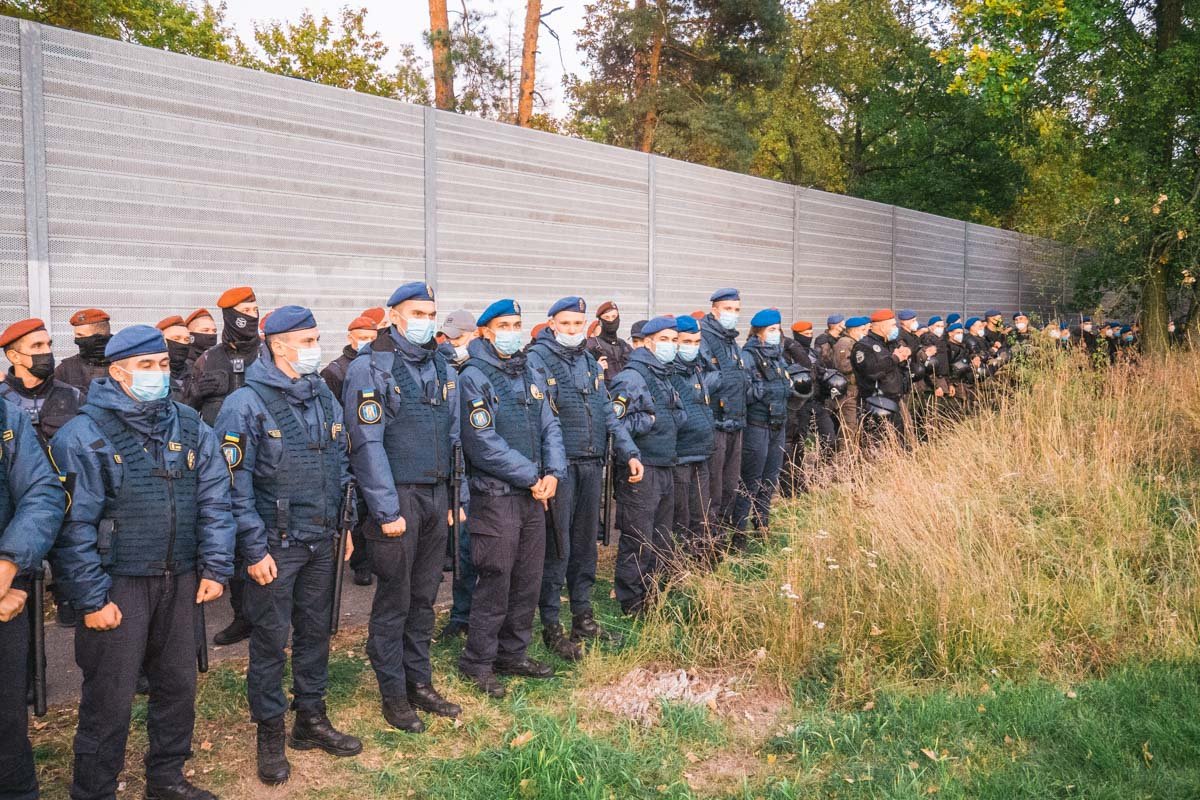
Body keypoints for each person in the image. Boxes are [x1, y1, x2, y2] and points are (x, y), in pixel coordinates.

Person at [49, 325, 235, 800]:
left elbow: (216, 499)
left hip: (181, 580)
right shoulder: (83, 435)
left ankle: (167, 779)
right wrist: (91, 598)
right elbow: (73, 529)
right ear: (117, 372)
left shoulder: (191, 427)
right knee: (108, 701)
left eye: (161, 364)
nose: (158, 373)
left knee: (177, 690)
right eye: (145, 366)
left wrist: (215, 566)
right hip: (118, 586)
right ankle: (94, 790)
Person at [215, 306, 361, 785]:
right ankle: (270, 733)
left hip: (322, 537)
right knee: (270, 643)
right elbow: (231, 487)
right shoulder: (246, 404)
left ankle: (310, 720)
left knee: (316, 634)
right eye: (307, 340)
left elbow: (341, 460)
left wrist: (348, 524)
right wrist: (254, 551)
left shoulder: (322, 393)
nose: (315, 348)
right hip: (275, 546)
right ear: (277, 345)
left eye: (318, 339)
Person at [343, 283, 467, 727]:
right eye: (417, 312)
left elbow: (456, 436)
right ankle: (393, 692)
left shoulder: (441, 362)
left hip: (436, 495)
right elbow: (367, 445)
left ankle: (420, 681)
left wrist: (458, 495)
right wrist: (385, 510)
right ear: (394, 315)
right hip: (398, 499)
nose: (426, 321)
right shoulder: (371, 366)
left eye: (431, 313)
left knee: (425, 597)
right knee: (394, 599)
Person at [457, 299, 565, 698]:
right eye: (503, 324)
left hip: (534, 494)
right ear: (485, 331)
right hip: (496, 496)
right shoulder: (473, 375)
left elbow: (550, 424)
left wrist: (553, 473)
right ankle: (478, 660)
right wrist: (532, 475)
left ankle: (513, 653)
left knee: (527, 578)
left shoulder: (530, 369)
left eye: (517, 324)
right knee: (497, 578)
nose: (512, 331)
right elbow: (482, 442)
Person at [527, 297, 642, 659]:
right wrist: (549, 469)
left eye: (578, 324)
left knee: (584, 547)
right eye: (566, 324)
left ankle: (583, 616)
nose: (573, 331)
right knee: (557, 550)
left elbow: (608, 413)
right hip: (560, 469)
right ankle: (551, 625)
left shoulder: (590, 362)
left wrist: (629, 452)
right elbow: (542, 421)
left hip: (592, 464)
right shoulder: (537, 359)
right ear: (552, 324)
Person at [0, 377, 67, 800]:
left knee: (7, 722)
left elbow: (42, 492)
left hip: (6, 596)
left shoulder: (5, 417)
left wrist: (8, 565)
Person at [184, 286, 260, 647]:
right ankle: (242, 615)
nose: (253, 314)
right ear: (230, 315)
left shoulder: (267, 351)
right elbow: (186, 410)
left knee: (263, 537)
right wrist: (198, 393)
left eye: (256, 307)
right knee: (231, 538)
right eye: (247, 308)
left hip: (263, 458)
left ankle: (267, 615)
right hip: (220, 461)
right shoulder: (208, 359)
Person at [610, 316, 684, 615]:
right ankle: (632, 601)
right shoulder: (632, 377)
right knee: (638, 538)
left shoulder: (663, 374)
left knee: (661, 536)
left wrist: (666, 419)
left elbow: (676, 413)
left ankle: (652, 593)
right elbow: (615, 422)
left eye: (674, 340)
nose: (671, 346)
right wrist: (650, 421)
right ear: (649, 342)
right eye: (665, 340)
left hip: (664, 462)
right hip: (642, 466)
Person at [436, 308, 478, 640]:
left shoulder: (483, 370)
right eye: (449, 339)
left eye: (459, 339)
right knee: (463, 550)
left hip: (488, 474)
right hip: (460, 472)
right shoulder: (446, 370)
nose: (452, 345)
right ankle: (462, 614)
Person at [732, 309, 791, 538]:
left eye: (778, 329)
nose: (776, 334)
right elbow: (743, 392)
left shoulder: (777, 355)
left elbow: (784, 385)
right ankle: (738, 530)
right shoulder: (748, 356)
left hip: (778, 423)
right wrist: (764, 389)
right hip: (757, 425)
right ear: (759, 333)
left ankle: (762, 523)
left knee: (770, 477)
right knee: (750, 480)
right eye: (772, 330)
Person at [698, 289, 749, 535]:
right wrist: (726, 376)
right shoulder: (704, 337)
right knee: (713, 490)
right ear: (715, 310)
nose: (733, 314)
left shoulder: (731, 340)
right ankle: (708, 543)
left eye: (737, 310)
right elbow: (700, 381)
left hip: (735, 422)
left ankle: (722, 538)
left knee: (730, 486)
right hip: (715, 424)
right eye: (728, 309)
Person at [668, 314, 716, 558]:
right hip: (681, 456)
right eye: (687, 342)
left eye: (697, 342)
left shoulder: (697, 368)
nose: (693, 347)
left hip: (701, 452)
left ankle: (699, 563)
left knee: (701, 514)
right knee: (680, 516)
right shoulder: (668, 373)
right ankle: (678, 566)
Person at [0, 318, 84, 445]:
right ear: (14, 356)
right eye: (37, 346)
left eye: (48, 344)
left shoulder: (73, 395)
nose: (47, 351)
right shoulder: (2, 398)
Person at [781, 320, 835, 494]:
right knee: (799, 444)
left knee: (830, 439)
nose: (809, 336)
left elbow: (820, 370)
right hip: (801, 405)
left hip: (817, 402)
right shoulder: (788, 353)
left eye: (811, 333)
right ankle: (796, 482)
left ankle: (818, 474)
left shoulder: (813, 352)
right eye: (805, 334)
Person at [851, 309, 911, 444]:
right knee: (876, 443)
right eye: (893, 325)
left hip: (894, 400)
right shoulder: (864, 346)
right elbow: (871, 371)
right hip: (875, 404)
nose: (895, 329)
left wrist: (905, 353)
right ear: (882, 326)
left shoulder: (889, 343)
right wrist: (894, 358)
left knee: (899, 442)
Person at [319, 316, 378, 404]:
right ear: (350, 338)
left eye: (373, 339)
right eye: (363, 338)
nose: (369, 343)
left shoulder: (383, 363)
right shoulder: (334, 371)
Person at [55, 308, 112, 398]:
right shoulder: (65, 369)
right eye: (76, 335)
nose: (76, 340)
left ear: (99, 337)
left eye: (80, 335)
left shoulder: (122, 365)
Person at [832, 316, 869, 439]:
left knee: (856, 426)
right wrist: (862, 363)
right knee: (849, 427)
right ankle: (845, 456)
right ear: (853, 330)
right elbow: (843, 366)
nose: (865, 333)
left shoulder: (854, 343)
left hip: (855, 391)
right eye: (862, 330)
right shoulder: (845, 343)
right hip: (848, 392)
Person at [586, 301, 632, 383]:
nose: (611, 321)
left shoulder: (624, 346)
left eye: (614, 316)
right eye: (606, 317)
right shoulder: (591, 345)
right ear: (600, 321)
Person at [157, 316, 193, 400]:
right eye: (176, 339)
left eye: (187, 340)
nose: (182, 344)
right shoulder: (149, 374)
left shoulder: (196, 372)